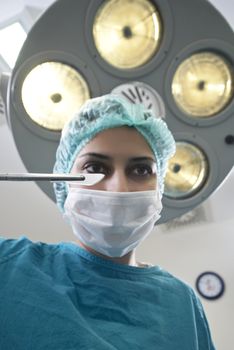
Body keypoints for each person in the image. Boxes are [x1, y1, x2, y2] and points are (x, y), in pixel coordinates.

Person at [0, 94, 215, 349]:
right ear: (65, 182)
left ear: (159, 188)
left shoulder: (183, 305)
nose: (119, 189)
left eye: (141, 170)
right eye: (94, 168)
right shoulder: (9, 267)